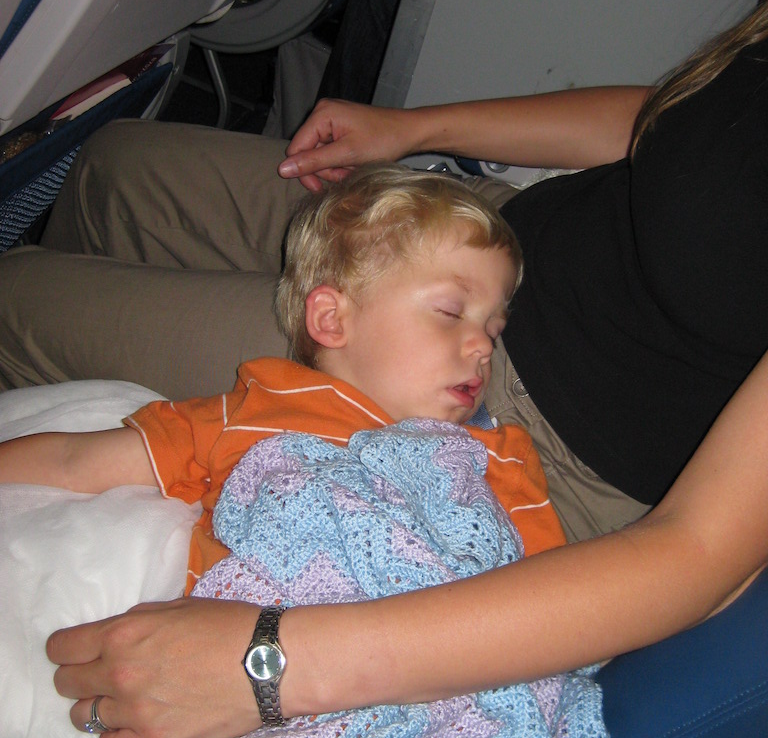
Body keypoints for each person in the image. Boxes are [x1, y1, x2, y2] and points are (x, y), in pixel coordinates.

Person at [0, 0, 766, 738]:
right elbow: (667, 124)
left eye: (491, 333)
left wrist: (273, 664)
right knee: (116, 168)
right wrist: (407, 129)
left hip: (519, 410)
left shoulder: (481, 461)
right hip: (480, 236)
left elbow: (695, 558)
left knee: (23, 298)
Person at [0, 166, 565, 596]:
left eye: (494, 326)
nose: (484, 345)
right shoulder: (254, 410)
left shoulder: (500, 459)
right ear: (332, 319)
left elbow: (545, 608)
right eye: (450, 312)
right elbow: (75, 462)